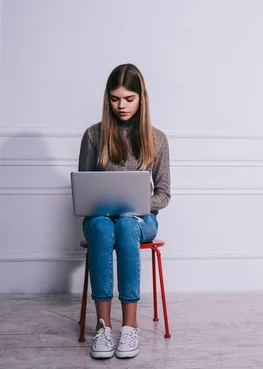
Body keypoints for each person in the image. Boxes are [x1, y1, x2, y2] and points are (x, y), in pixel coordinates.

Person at [78, 63, 171, 359]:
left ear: (141, 98)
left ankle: (129, 327)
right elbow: (85, 189)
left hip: (140, 220)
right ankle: (103, 326)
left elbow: (164, 194)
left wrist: (139, 207)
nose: (121, 105)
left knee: (126, 225)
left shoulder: (157, 138)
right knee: (105, 226)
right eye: (115, 98)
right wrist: (104, 210)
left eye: (128, 99)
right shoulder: (94, 135)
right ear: (107, 99)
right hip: (100, 220)